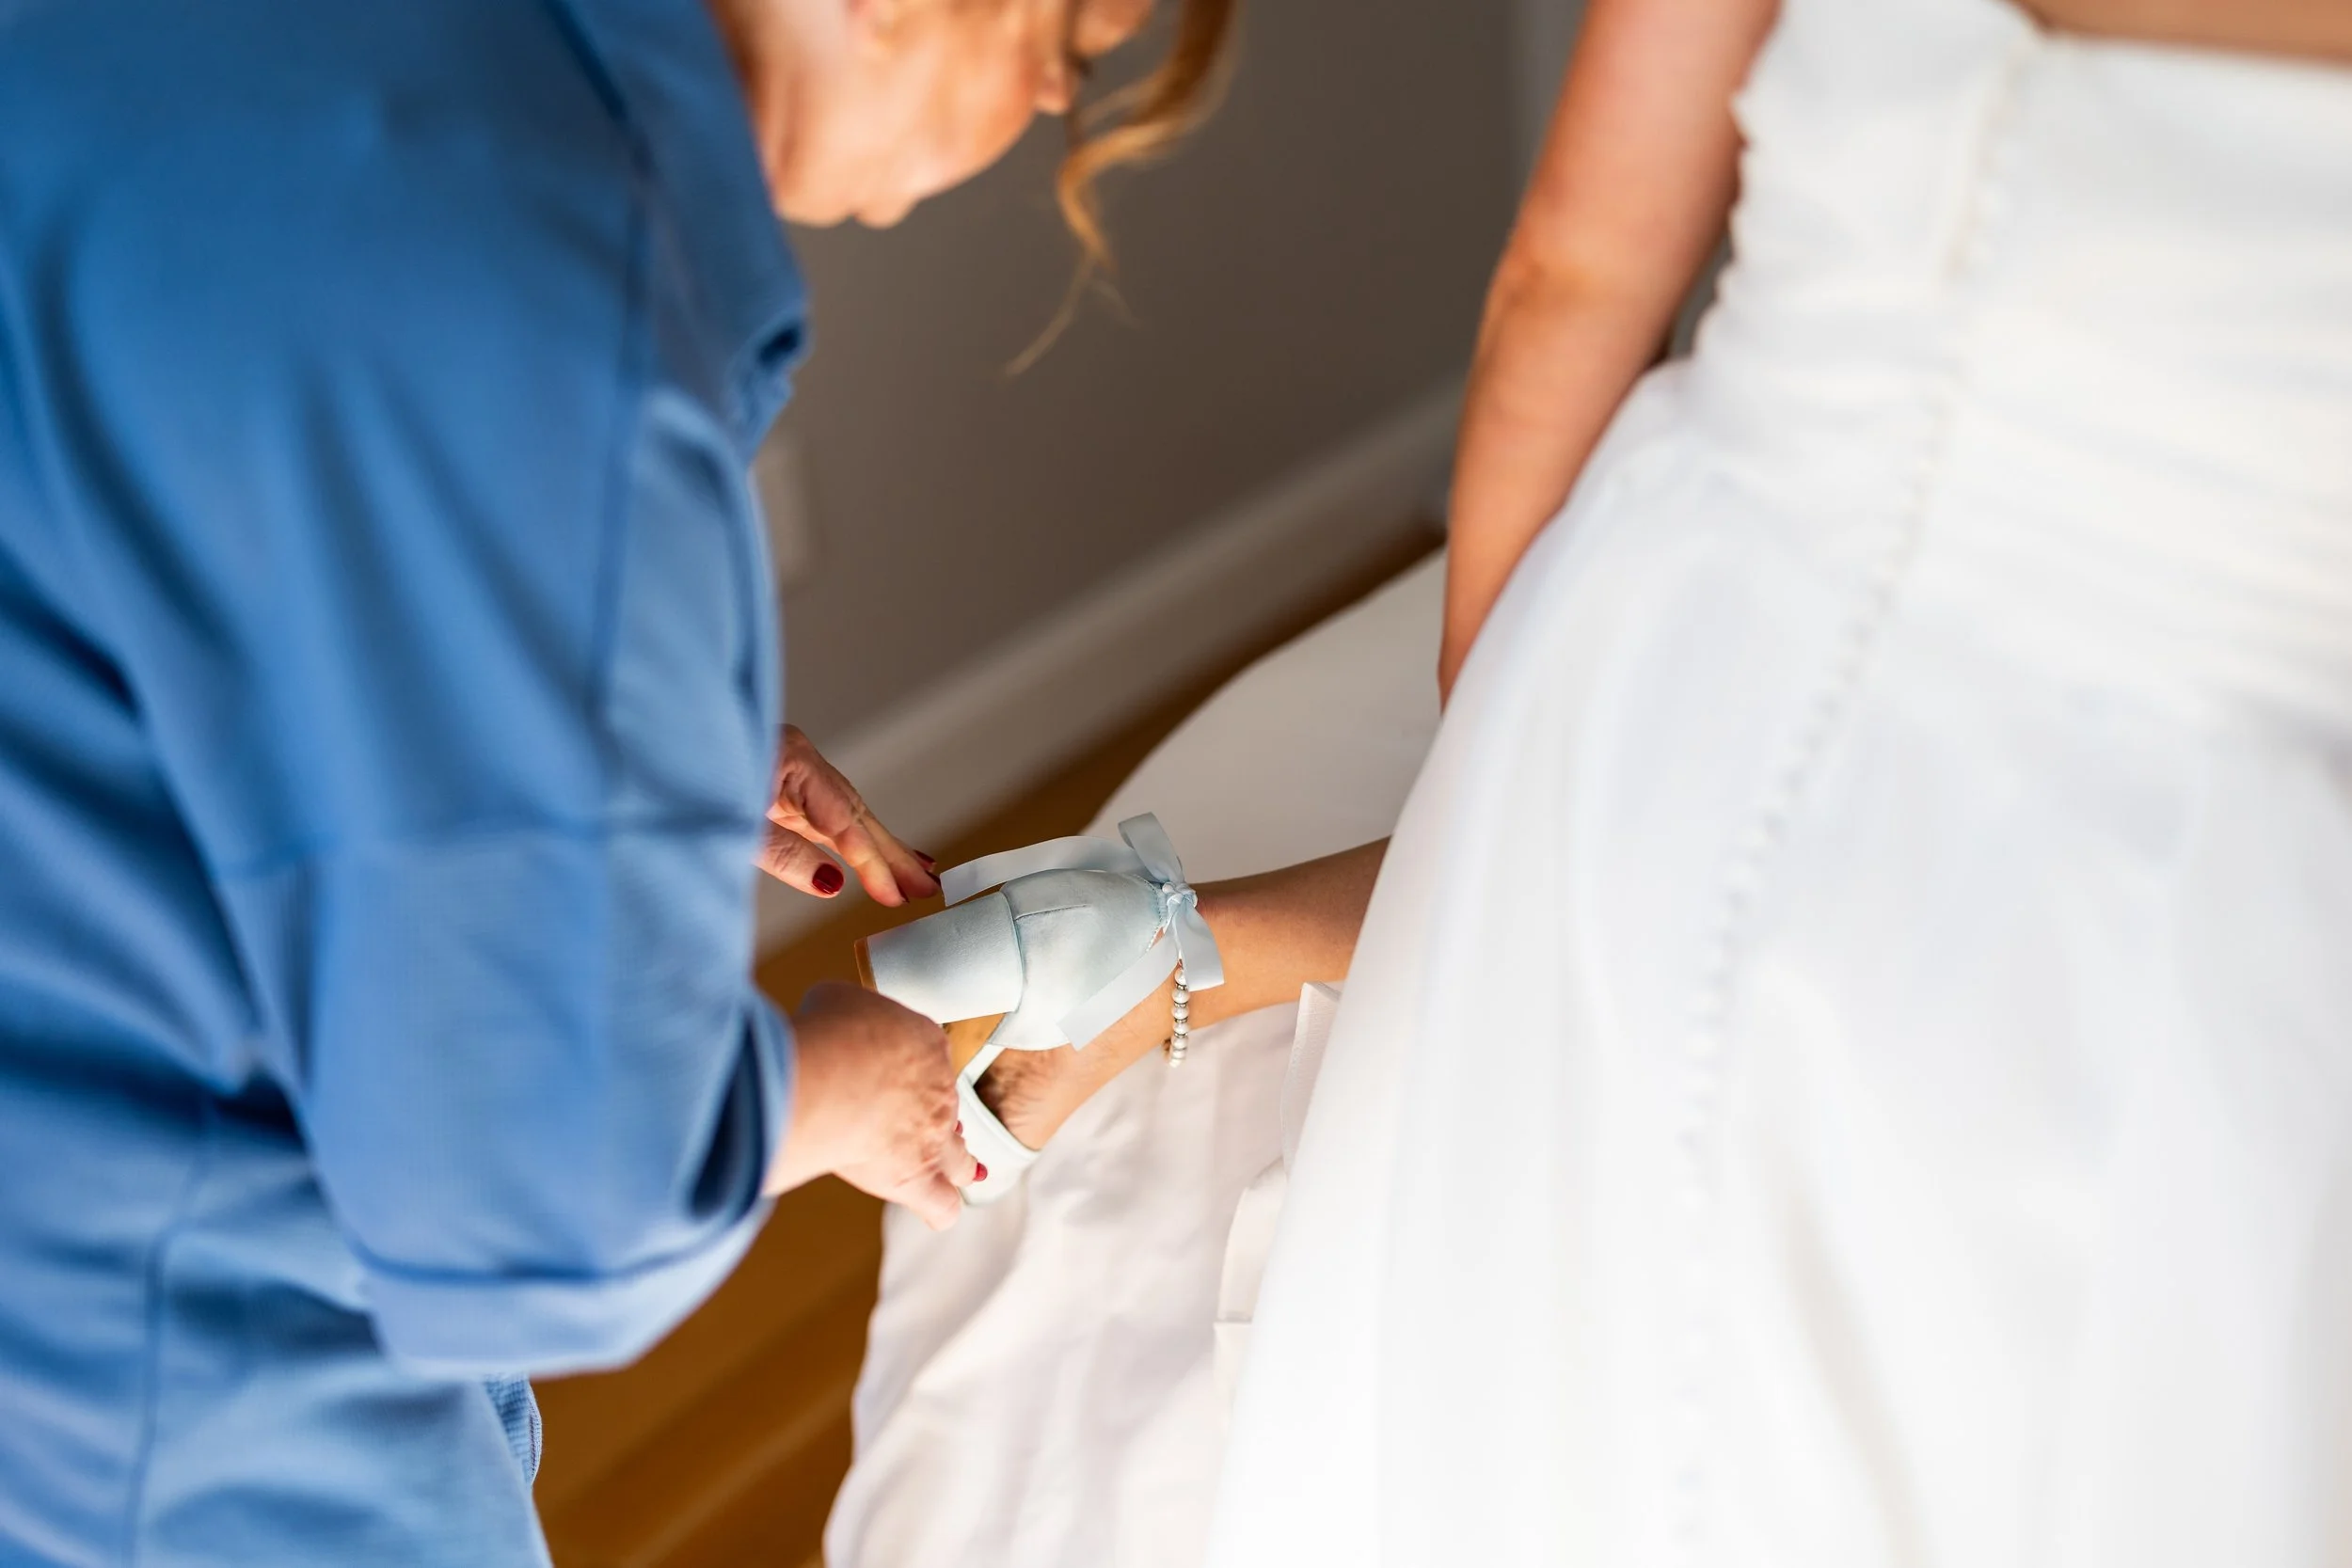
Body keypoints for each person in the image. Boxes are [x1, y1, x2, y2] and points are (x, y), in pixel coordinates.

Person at [879, 0, 2352, 1562]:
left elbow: (1570, 283)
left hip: (1708, 579)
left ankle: (1186, 936)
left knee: (1644, 866)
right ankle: (1188, 938)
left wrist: (1505, 757)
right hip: (2198, 752)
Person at [0, 0, 1230, 1562]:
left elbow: (207, 576)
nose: (1032, 121)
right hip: (168, 1389)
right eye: (1059, 57)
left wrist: (581, 755)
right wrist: (840, 1075)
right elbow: (534, 1195)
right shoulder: (542, 310)